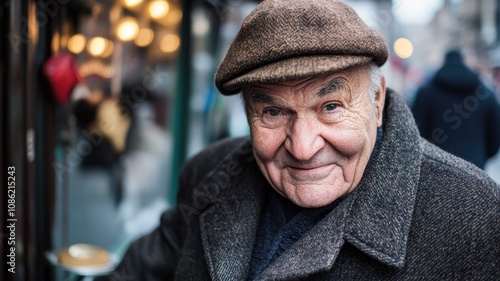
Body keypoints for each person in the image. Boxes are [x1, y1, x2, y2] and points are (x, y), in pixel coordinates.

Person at [111, 0, 500, 280]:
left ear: (377, 101)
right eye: (273, 112)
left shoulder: (474, 218)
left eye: (330, 106)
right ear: (247, 114)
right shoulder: (207, 172)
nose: (302, 147)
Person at [412, 49, 500, 169]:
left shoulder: (426, 93)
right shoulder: (484, 93)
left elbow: (417, 130)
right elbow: (495, 132)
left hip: (437, 168)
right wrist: (482, 155)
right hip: (476, 168)